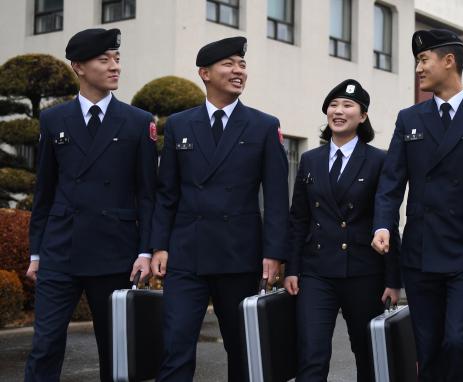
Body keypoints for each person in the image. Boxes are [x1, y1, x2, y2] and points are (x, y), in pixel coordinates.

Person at [149, 36, 289, 381]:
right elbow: (166, 193)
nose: (238, 71)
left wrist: (274, 253)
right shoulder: (180, 124)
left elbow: (275, 197)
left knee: (241, 348)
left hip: (238, 254)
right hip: (186, 254)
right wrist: (160, 245)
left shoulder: (263, 125)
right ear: (205, 73)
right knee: (175, 344)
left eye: (242, 64)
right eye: (229, 64)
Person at [25, 28, 157, 381]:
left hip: (115, 252)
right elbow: (45, 191)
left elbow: (147, 194)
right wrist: (36, 253)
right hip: (60, 249)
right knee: (45, 344)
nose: (115, 67)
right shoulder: (54, 120)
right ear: (79, 67)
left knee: (115, 350)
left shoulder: (138, 122)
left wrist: (146, 250)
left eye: (117, 59)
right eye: (105, 60)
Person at [372, 29, 463, 381]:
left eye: (424, 60)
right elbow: (391, 182)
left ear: (449, 61)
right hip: (421, 254)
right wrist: (382, 225)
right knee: (428, 346)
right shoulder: (410, 118)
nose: (419, 69)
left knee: (457, 340)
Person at [284, 79, 401, 382]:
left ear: (362, 116)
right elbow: (299, 218)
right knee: (311, 354)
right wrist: (292, 269)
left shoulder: (379, 160)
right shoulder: (311, 160)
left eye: (347, 105)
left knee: (366, 352)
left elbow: (386, 220)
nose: (338, 111)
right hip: (316, 270)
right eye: (333, 105)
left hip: (363, 270)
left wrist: (392, 279)